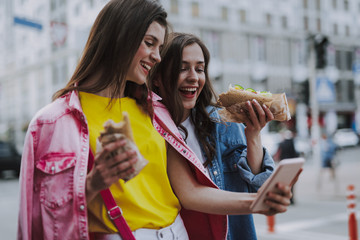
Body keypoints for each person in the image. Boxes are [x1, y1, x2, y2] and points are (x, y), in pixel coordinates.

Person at [17, 1, 294, 239]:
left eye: (159, 46)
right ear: (120, 37)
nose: (157, 56)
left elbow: (188, 192)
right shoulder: (52, 123)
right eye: (149, 43)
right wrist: (94, 182)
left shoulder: (156, 110)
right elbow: (40, 221)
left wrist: (257, 200)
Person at [150, 32, 290, 240]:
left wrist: (253, 135)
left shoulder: (222, 122)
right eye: (182, 68)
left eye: (199, 69)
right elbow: (188, 194)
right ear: (158, 77)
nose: (193, 77)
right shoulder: (148, 127)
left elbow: (255, 185)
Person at [273, 129, 299, 204]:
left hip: (283, 165)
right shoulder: (292, 143)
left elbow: (278, 153)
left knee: (284, 182)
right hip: (292, 164)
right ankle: (291, 198)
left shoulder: (281, 143)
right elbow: (295, 153)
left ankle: (285, 197)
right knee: (292, 182)